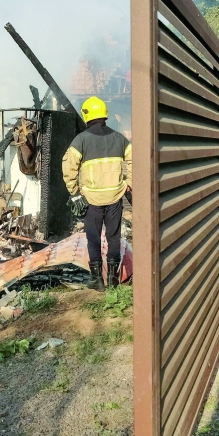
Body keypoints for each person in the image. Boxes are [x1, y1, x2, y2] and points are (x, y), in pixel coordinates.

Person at [62, 96, 132, 291]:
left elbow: (68, 167)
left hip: (91, 199)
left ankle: (97, 280)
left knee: (93, 238)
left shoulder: (81, 139)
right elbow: (134, 158)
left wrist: (74, 191)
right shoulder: (119, 138)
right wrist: (129, 184)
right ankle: (113, 279)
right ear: (104, 115)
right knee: (114, 237)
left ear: (87, 115)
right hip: (115, 198)